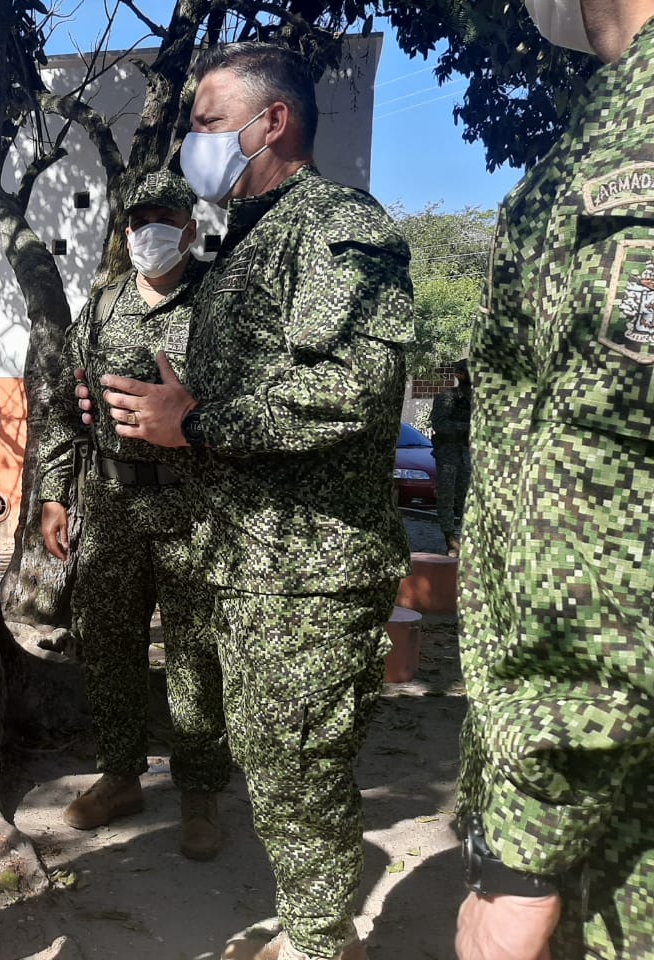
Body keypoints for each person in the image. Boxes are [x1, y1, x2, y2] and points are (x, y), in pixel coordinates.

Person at [87, 44, 414, 960]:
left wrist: (191, 422)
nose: (194, 138)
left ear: (271, 122)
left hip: (309, 566)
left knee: (299, 767)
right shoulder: (245, 246)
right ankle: (317, 933)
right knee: (274, 766)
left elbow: (354, 388)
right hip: (249, 560)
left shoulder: (333, 224)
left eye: (206, 119)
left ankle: (317, 944)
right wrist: (152, 414)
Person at [453, 3, 654, 958]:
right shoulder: (610, 114)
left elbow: (611, 499)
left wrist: (523, 854)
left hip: (609, 743)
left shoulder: (637, 141)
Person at [37, 170, 230, 861]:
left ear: (189, 225)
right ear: (126, 230)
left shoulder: (218, 301)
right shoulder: (103, 306)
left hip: (192, 503)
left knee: (195, 653)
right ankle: (120, 776)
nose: (151, 228)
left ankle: (201, 788)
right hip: (111, 502)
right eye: (139, 217)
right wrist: (54, 494)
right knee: (110, 645)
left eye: (165, 216)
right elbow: (64, 404)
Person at [427, 359, 471, 557]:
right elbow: (440, 425)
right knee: (446, 495)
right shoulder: (447, 398)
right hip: (448, 454)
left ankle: (468, 539)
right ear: (459, 374)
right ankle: (450, 539)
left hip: (469, 453)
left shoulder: (480, 399)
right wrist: (468, 427)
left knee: (467, 498)